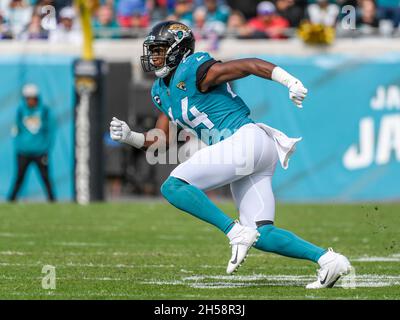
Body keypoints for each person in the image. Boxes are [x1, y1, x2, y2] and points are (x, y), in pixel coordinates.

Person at [109, 21, 352, 289]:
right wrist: (131, 136)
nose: (154, 57)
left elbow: (248, 65)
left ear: (179, 50)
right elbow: (162, 139)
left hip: (244, 140)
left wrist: (289, 81)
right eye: (152, 51)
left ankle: (234, 232)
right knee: (263, 233)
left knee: (174, 186)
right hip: (256, 149)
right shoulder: (161, 91)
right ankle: (328, 260)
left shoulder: (195, 69)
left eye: (159, 50)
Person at [8, 83, 56, 202]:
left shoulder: (44, 110)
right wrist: (19, 145)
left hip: (40, 152)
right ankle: (10, 201)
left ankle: (53, 201)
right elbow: (16, 129)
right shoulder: (20, 110)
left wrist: (45, 147)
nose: (30, 101)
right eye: (28, 98)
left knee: (45, 178)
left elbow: (49, 130)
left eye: (33, 98)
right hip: (23, 151)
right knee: (19, 177)